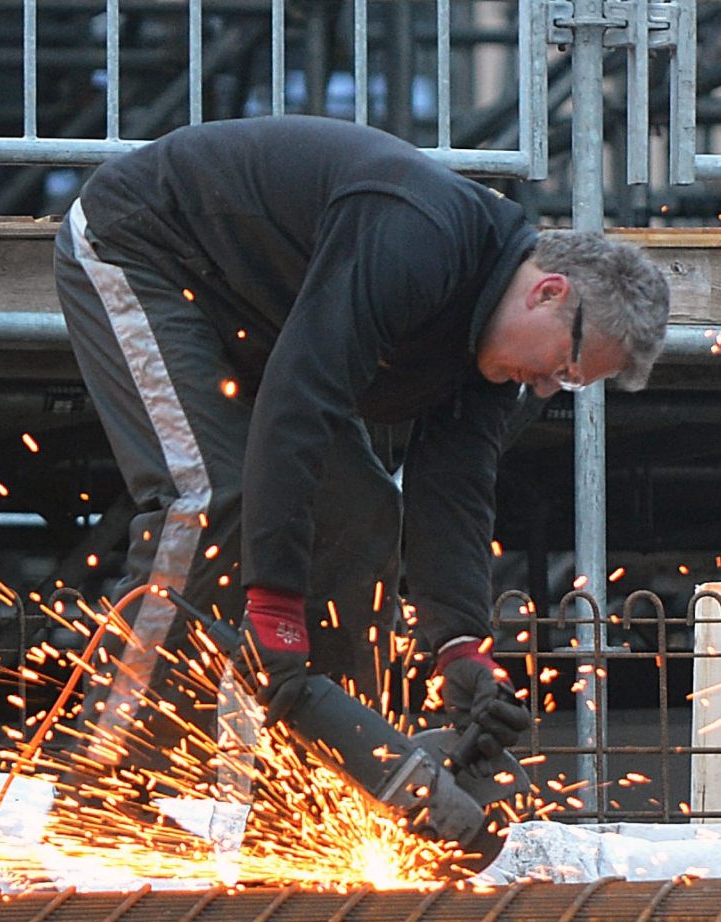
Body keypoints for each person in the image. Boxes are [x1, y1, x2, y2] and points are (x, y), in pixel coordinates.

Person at [52, 114, 670, 765]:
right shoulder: (415, 237)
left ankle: (331, 785)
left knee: (360, 516)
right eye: (566, 367)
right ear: (548, 293)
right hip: (146, 249)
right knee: (209, 499)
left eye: (569, 385)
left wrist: (459, 643)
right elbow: (297, 405)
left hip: (265, 313)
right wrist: (274, 603)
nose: (547, 387)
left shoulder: (491, 355)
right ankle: (113, 769)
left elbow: (452, 491)